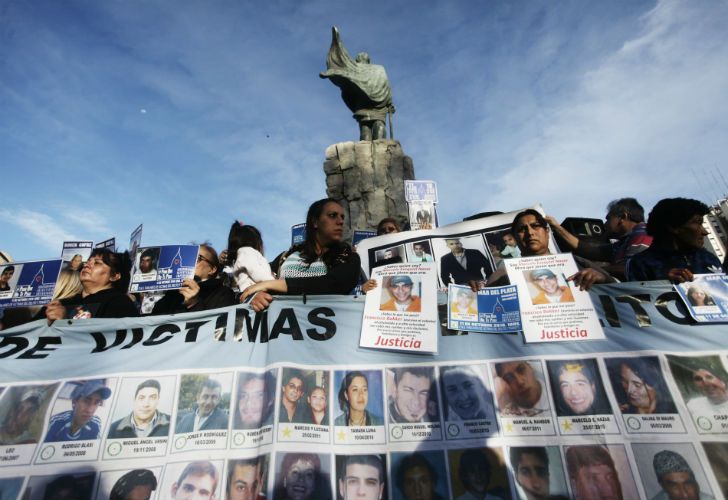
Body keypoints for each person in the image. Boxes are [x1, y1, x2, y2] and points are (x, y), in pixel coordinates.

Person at [242, 199, 361, 312]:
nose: (340, 221)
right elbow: (252, 283)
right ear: (315, 222)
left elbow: (336, 284)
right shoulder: (286, 256)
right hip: (282, 329)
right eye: (332, 215)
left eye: (342, 217)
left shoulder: (349, 257)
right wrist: (256, 296)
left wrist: (272, 284)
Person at [546, 198, 652, 280]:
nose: (605, 224)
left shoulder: (642, 234)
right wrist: (557, 227)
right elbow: (587, 250)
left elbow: (630, 269)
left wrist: (597, 271)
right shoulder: (624, 242)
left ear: (623, 217)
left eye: (608, 218)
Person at [507, 209, 612, 291]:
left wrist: (603, 278)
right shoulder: (506, 273)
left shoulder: (575, 262)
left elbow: (619, 287)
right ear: (515, 237)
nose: (530, 233)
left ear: (547, 232)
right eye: (522, 229)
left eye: (535, 226)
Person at [320, 27, 395, 141]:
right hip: (379, 105)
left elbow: (345, 82)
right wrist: (389, 103)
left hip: (362, 105)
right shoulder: (379, 68)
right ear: (368, 60)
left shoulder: (354, 69)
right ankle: (381, 148)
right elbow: (386, 86)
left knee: (365, 129)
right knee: (379, 125)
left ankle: (364, 152)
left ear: (358, 60)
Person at [626, 198, 723, 282]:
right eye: (698, 223)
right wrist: (662, 283)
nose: (705, 232)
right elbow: (638, 301)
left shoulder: (709, 258)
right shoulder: (641, 264)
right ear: (674, 227)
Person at [40, 248, 138, 322]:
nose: (86, 265)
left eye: (97, 263)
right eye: (88, 261)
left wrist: (65, 322)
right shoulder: (61, 303)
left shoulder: (120, 303)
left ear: (114, 276)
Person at [151, 243, 235, 314]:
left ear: (212, 269)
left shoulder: (223, 294)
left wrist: (194, 304)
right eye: (188, 258)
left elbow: (220, 329)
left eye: (198, 258)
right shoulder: (171, 295)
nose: (191, 263)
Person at [45, 379, 112, 442]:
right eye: (86, 401)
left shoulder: (96, 424)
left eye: (96, 402)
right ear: (74, 402)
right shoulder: (56, 422)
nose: (90, 410)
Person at [607, 358, 676, 414]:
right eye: (625, 382)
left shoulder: (673, 410)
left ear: (655, 385)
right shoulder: (623, 411)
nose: (629, 390)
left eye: (637, 385)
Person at [226, 222, 274, 292]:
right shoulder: (247, 252)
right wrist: (275, 284)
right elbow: (258, 274)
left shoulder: (242, 256)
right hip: (257, 292)